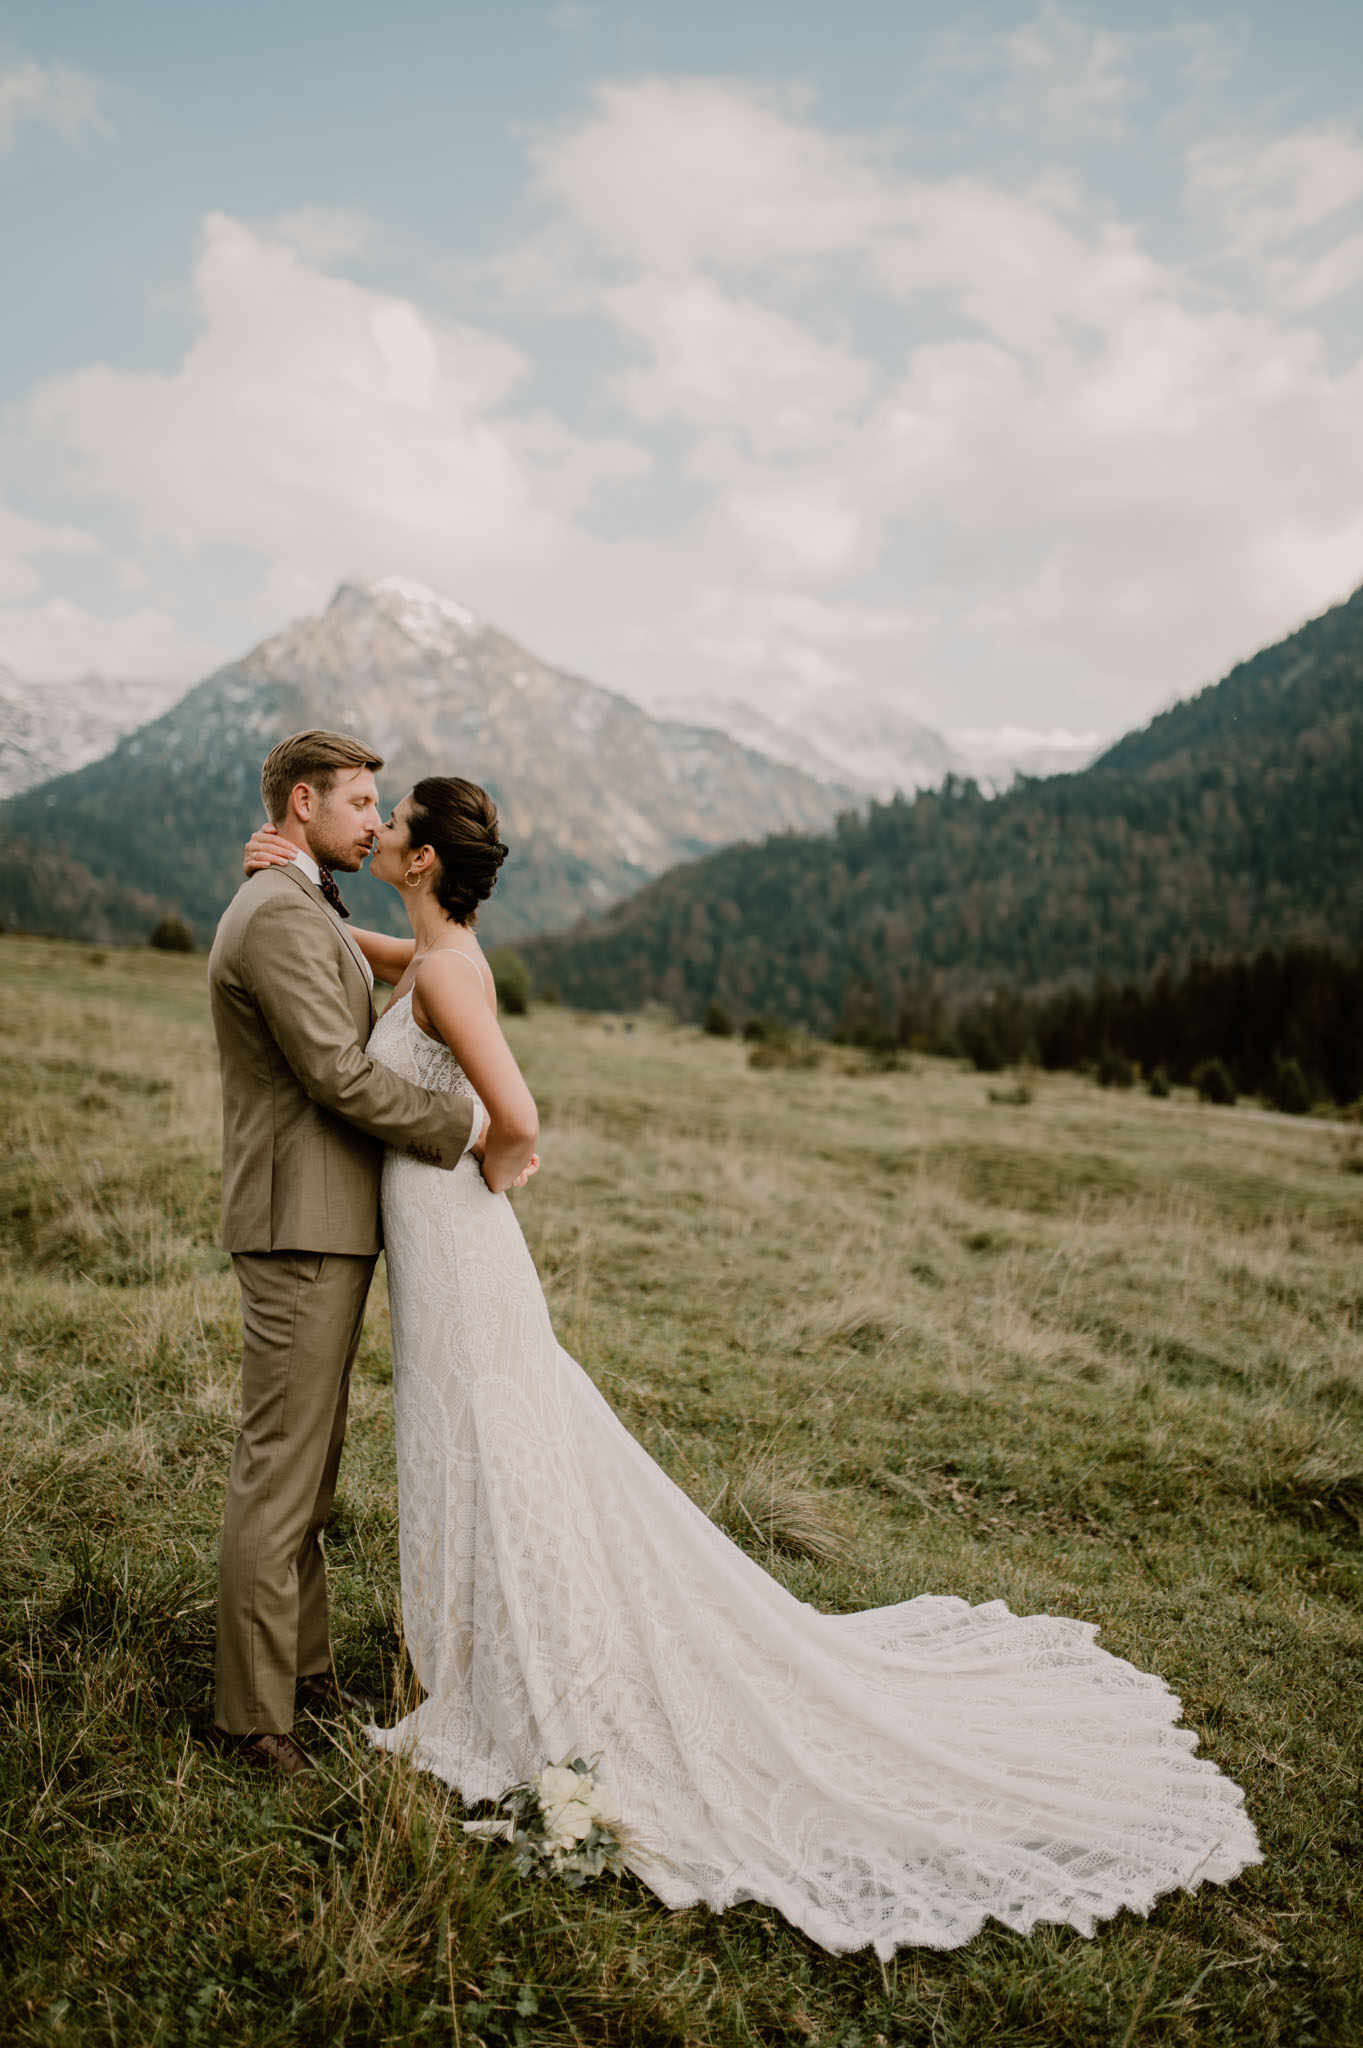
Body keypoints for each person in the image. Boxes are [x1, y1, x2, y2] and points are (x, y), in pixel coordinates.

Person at [241, 782, 1261, 1955]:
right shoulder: (432, 955)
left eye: (394, 819)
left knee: (494, 1433)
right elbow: (379, 956)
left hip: (462, 1244)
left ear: (422, 860)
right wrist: (298, 888)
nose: (376, 827)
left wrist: (497, 1172)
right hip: (436, 1244)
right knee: (476, 1435)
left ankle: (531, 1668)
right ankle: (493, 1653)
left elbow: (518, 1117)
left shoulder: (451, 975)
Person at [209, 731, 490, 1778]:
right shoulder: (281, 911)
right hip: (298, 1222)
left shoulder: (303, 897)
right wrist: (461, 1124)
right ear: (302, 802)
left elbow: (400, 960)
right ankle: (251, 1719)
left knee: (309, 1471)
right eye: (361, 802)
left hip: (323, 1219)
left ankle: (306, 1672)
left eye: (381, 807)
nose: (376, 821)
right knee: (279, 1471)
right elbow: (333, 1071)